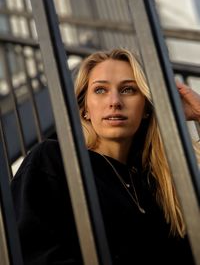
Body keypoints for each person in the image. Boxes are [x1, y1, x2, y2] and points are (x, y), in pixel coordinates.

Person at [11, 48, 200, 265]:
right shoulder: (54, 160)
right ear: (85, 109)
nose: (114, 102)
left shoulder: (162, 187)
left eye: (128, 89)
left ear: (146, 107)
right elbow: (29, 252)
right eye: (100, 90)